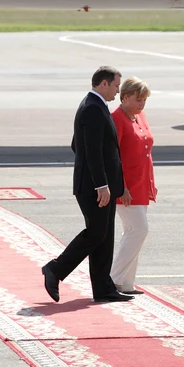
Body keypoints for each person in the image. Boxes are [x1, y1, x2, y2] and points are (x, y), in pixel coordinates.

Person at [41, 66, 134, 303]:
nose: (117, 91)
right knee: (96, 233)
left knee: (104, 235)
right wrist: (101, 184)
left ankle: (103, 288)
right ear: (103, 84)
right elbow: (91, 151)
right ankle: (55, 269)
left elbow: (78, 146)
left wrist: (115, 183)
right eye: (115, 86)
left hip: (103, 185)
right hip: (94, 187)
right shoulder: (92, 108)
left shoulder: (95, 106)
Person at [110, 77, 156, 295]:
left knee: (132, 232)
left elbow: (146, 151)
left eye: (144, 100)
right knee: (139, 229)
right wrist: (122, 187)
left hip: (141, 183)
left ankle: (126, 282)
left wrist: (150, 184)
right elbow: (113, 157)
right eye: (138, 99)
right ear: (125, 96)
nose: (142, 104)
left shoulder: (139, 116)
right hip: (126, 186)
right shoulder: (116, 119)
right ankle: (114, 279)